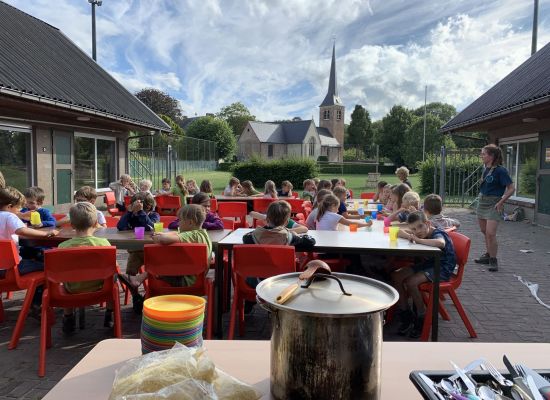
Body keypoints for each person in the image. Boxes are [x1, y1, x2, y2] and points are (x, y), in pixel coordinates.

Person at [391, 211, 456, 338]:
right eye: (414, 228)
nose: (418, 231)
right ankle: (405, 313)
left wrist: (418, 239)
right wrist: (410, 234)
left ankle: (421, 316)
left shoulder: (438, 233)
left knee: (411, 282)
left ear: (428, 223)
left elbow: (440, 243)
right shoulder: (419, 232)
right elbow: (397, 230)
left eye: (420, 226)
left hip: (442, 268)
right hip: (429, 264)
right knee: (396, 276)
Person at [0, 187, 59, 314]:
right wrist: (46, 234)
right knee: (48, 267)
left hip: (1, 272)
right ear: (10, 206)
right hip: (11, 270)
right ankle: (37, 304)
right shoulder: (9, 216)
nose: (21, 210)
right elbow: (21, 230)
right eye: (19, 208)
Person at [57, 202, 114, 333]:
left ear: (71, 225)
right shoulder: (104, 244)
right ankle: (109, 313)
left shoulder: (63, 247)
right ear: (95, 224)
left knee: (65, 278)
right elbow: (113, 267)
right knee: (113, 276)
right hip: (100, 287)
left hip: (72, 288)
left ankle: (68, 317)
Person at [124, 204, 212, 288]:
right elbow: (178, 233)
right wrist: (167, 233)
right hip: (197, 280)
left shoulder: (192, 235)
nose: (178, 223)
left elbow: (163, 240)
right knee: (161, 260)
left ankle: (136, 279)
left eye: (180, 220)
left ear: (190, 222)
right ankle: (137, 279)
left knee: (157, 260)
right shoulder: (202, 235)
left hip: (184, 280)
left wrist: (157, 238)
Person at [117, 192, 160, 312]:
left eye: (144, 208)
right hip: (135, 251)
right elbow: (120, 226)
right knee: (130, 273)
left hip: (152, 252)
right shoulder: (131, 216)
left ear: (149, 207)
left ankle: (146, 296)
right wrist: (130, 212)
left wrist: (141, 213)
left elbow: (151, 227)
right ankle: (136, 296)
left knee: (154, 270)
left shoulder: (154, 215)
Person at [474, 144, 515, 272]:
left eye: (484, 154)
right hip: (482, 201)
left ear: (491, 156)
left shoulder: (501, 171)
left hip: (494, 204)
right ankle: (488, 254)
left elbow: (511, 188)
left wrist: (501, 201)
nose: (481, 156)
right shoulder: (485, 168)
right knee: (484, 231)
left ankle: (493, 260)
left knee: (491, 233)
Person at [18, 187, 57, 261]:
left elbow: (53, 222)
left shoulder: (44, 211)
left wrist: (41, 224)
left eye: (31, 203)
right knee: (22, 253)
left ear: (40, 203)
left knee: (41, 256)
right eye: (26, 202)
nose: (27, 205)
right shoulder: (24, 211)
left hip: (42, 243)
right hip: (27, 242)